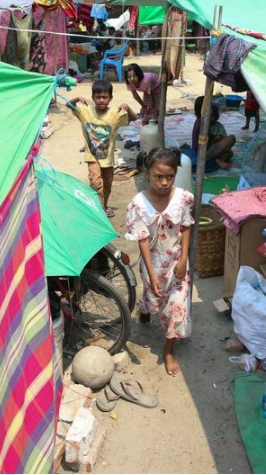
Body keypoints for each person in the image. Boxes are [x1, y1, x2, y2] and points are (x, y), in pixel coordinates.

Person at [125, 147, 194, 376]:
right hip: (152, 262)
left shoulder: (182, 198)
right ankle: (145, 307)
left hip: (176, 261)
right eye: (158, 176)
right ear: (147, 174)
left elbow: (185, 227)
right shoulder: (139, 204)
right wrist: (152, 273)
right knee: (154, 296)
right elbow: (142, 240)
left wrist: (184, 259)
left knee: (176, 305)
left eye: (170, 176)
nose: (164, 182)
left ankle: (168, 349)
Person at [69, 80, 136, 217]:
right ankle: (98, 212)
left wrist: (127, 108)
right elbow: (68, 104)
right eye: (98, 97)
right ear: (93, 97)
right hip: (91, 156)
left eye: (104, 97)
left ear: (110, 98)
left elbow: (134, 118)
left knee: (107, 184)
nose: (101, 100)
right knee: (95, 182)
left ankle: (103, 206)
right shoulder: (86, 111)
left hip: (108, 159)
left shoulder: (115, 115)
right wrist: (77, 98)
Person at [192, 96, 236, 169]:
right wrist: (216, 140)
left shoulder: (201, 121)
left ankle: (219, 160)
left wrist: (216, 140)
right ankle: (218, 160)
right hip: (202, 152)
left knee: (230, 153)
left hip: (208, 148)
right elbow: (204, 144)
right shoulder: (202, 124)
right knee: (231, 138)